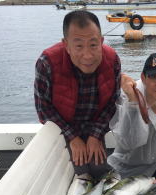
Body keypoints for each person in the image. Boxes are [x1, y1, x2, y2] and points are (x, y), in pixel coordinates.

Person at [34, 10, 121, 179]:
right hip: (63, 126)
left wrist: (96, 135)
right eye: (79, 45)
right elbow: (43, 108)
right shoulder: (47, 63)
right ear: (66, 44)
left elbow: (113, 102)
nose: (87, 55)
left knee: (100, 170)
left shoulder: (112, 59)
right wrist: (72, 137)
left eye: (93, 45)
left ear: (102, 41)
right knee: (80, 174)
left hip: (96, 126)